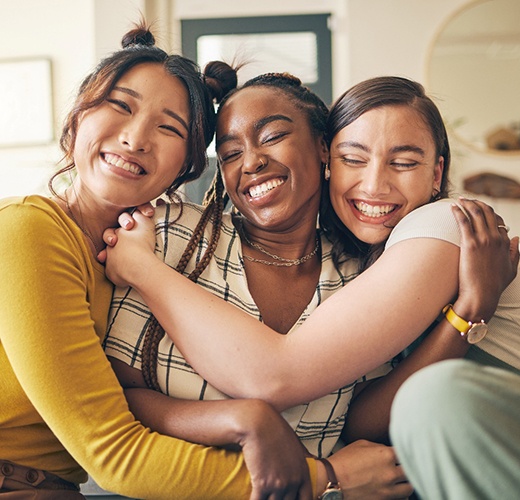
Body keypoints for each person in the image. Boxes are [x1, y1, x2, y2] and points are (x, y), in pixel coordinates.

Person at [105, 75, 520, 498]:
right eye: (355, 159)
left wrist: (468, 311)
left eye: (403, 162)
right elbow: (115, 396)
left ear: (320, 150)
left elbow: (301, 389)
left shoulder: (395, 249)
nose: (375, 183)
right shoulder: (169, 234)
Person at [0, 22, 332, 499]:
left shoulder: (145, 253)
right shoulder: (28, 228)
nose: (136, 139)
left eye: (169, 127)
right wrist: (326, 477)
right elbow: (114, 452)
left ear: (187, 167)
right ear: (77, 119)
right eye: (121, 106)